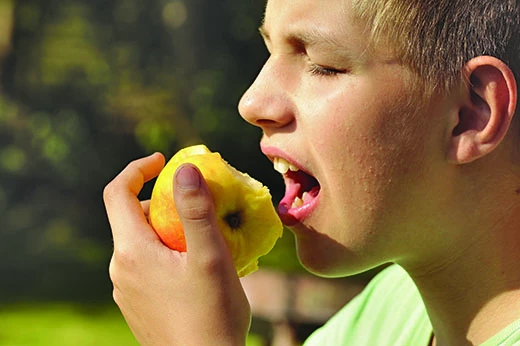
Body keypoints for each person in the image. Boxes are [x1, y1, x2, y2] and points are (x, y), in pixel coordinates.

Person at [103, 0, 520, 345]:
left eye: (322, 64)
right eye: (270, 51)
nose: (251, 103)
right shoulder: (386, 314)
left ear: (469, 114)